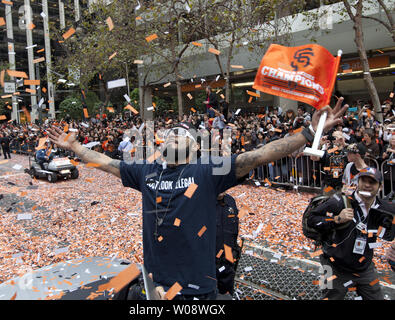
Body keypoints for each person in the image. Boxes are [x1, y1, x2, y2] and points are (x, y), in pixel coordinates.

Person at [47, 99, 347, 300]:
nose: (170, 137)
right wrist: (75, 147)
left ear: (192, 148)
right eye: (168, 134)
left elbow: (260, 154)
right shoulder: (146, 172)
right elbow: (106, 163)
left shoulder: (207, 171)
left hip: (198, 288)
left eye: (179, 135)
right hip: (156, 286)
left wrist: (310, 132)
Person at [307, 167, 395, 300]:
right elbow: (312, 220)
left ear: (380, 187)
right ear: (357, 182)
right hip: (334, 264)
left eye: (372, 182)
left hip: (363, 267)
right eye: (363, 180)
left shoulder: (385, 208)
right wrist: (336, 219)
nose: (367, 185)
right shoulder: (339, 201)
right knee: (331, 296)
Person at [215, 192, 239, 296]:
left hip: (227, 262)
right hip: (207, 264)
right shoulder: (201, 202)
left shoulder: (230, 201)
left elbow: (234, 229)